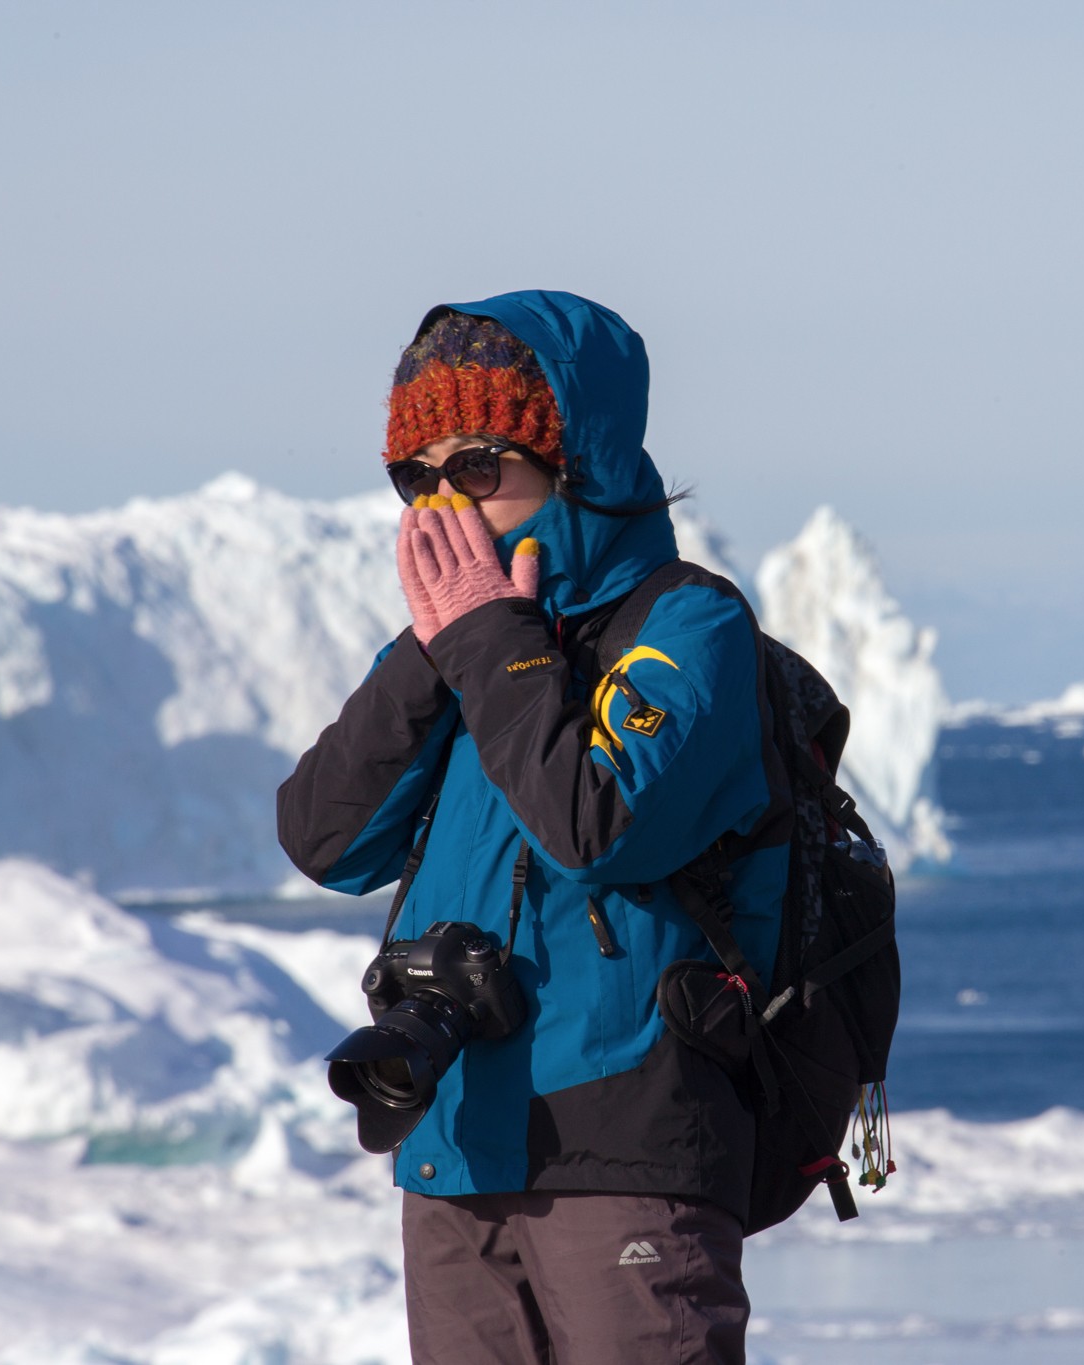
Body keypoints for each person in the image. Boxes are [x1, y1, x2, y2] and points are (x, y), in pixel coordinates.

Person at [277, 290, 785, 1364]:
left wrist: (489, 642)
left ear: (574, 462)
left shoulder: (685, 624)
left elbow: (594, 826)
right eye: (417, 477)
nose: (445, 506)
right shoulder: (469, 643)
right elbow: (324, 838)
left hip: (622, 1143)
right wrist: (435, 652)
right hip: (455, 1141)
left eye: (477, 468)